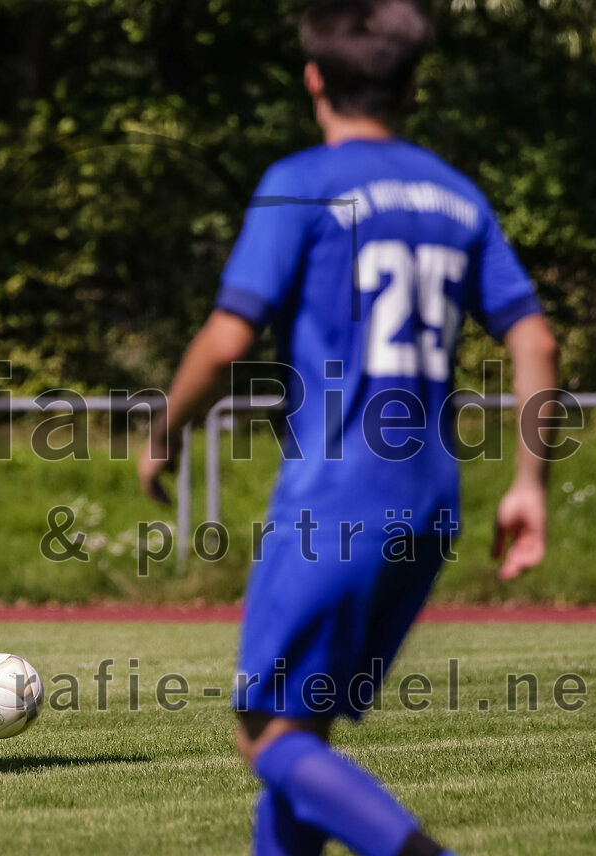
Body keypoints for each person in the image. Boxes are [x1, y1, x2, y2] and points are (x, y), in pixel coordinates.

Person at [138, 2, 557, 854]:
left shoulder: (303, 182)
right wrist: (527, 484)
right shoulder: (455, 194)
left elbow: (227, 339)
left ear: (316, 79)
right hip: (432, 497)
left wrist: (165, 433)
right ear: (409, 84)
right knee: (305, 725)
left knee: (262, 733)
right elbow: (535, 335)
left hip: (338, 492)